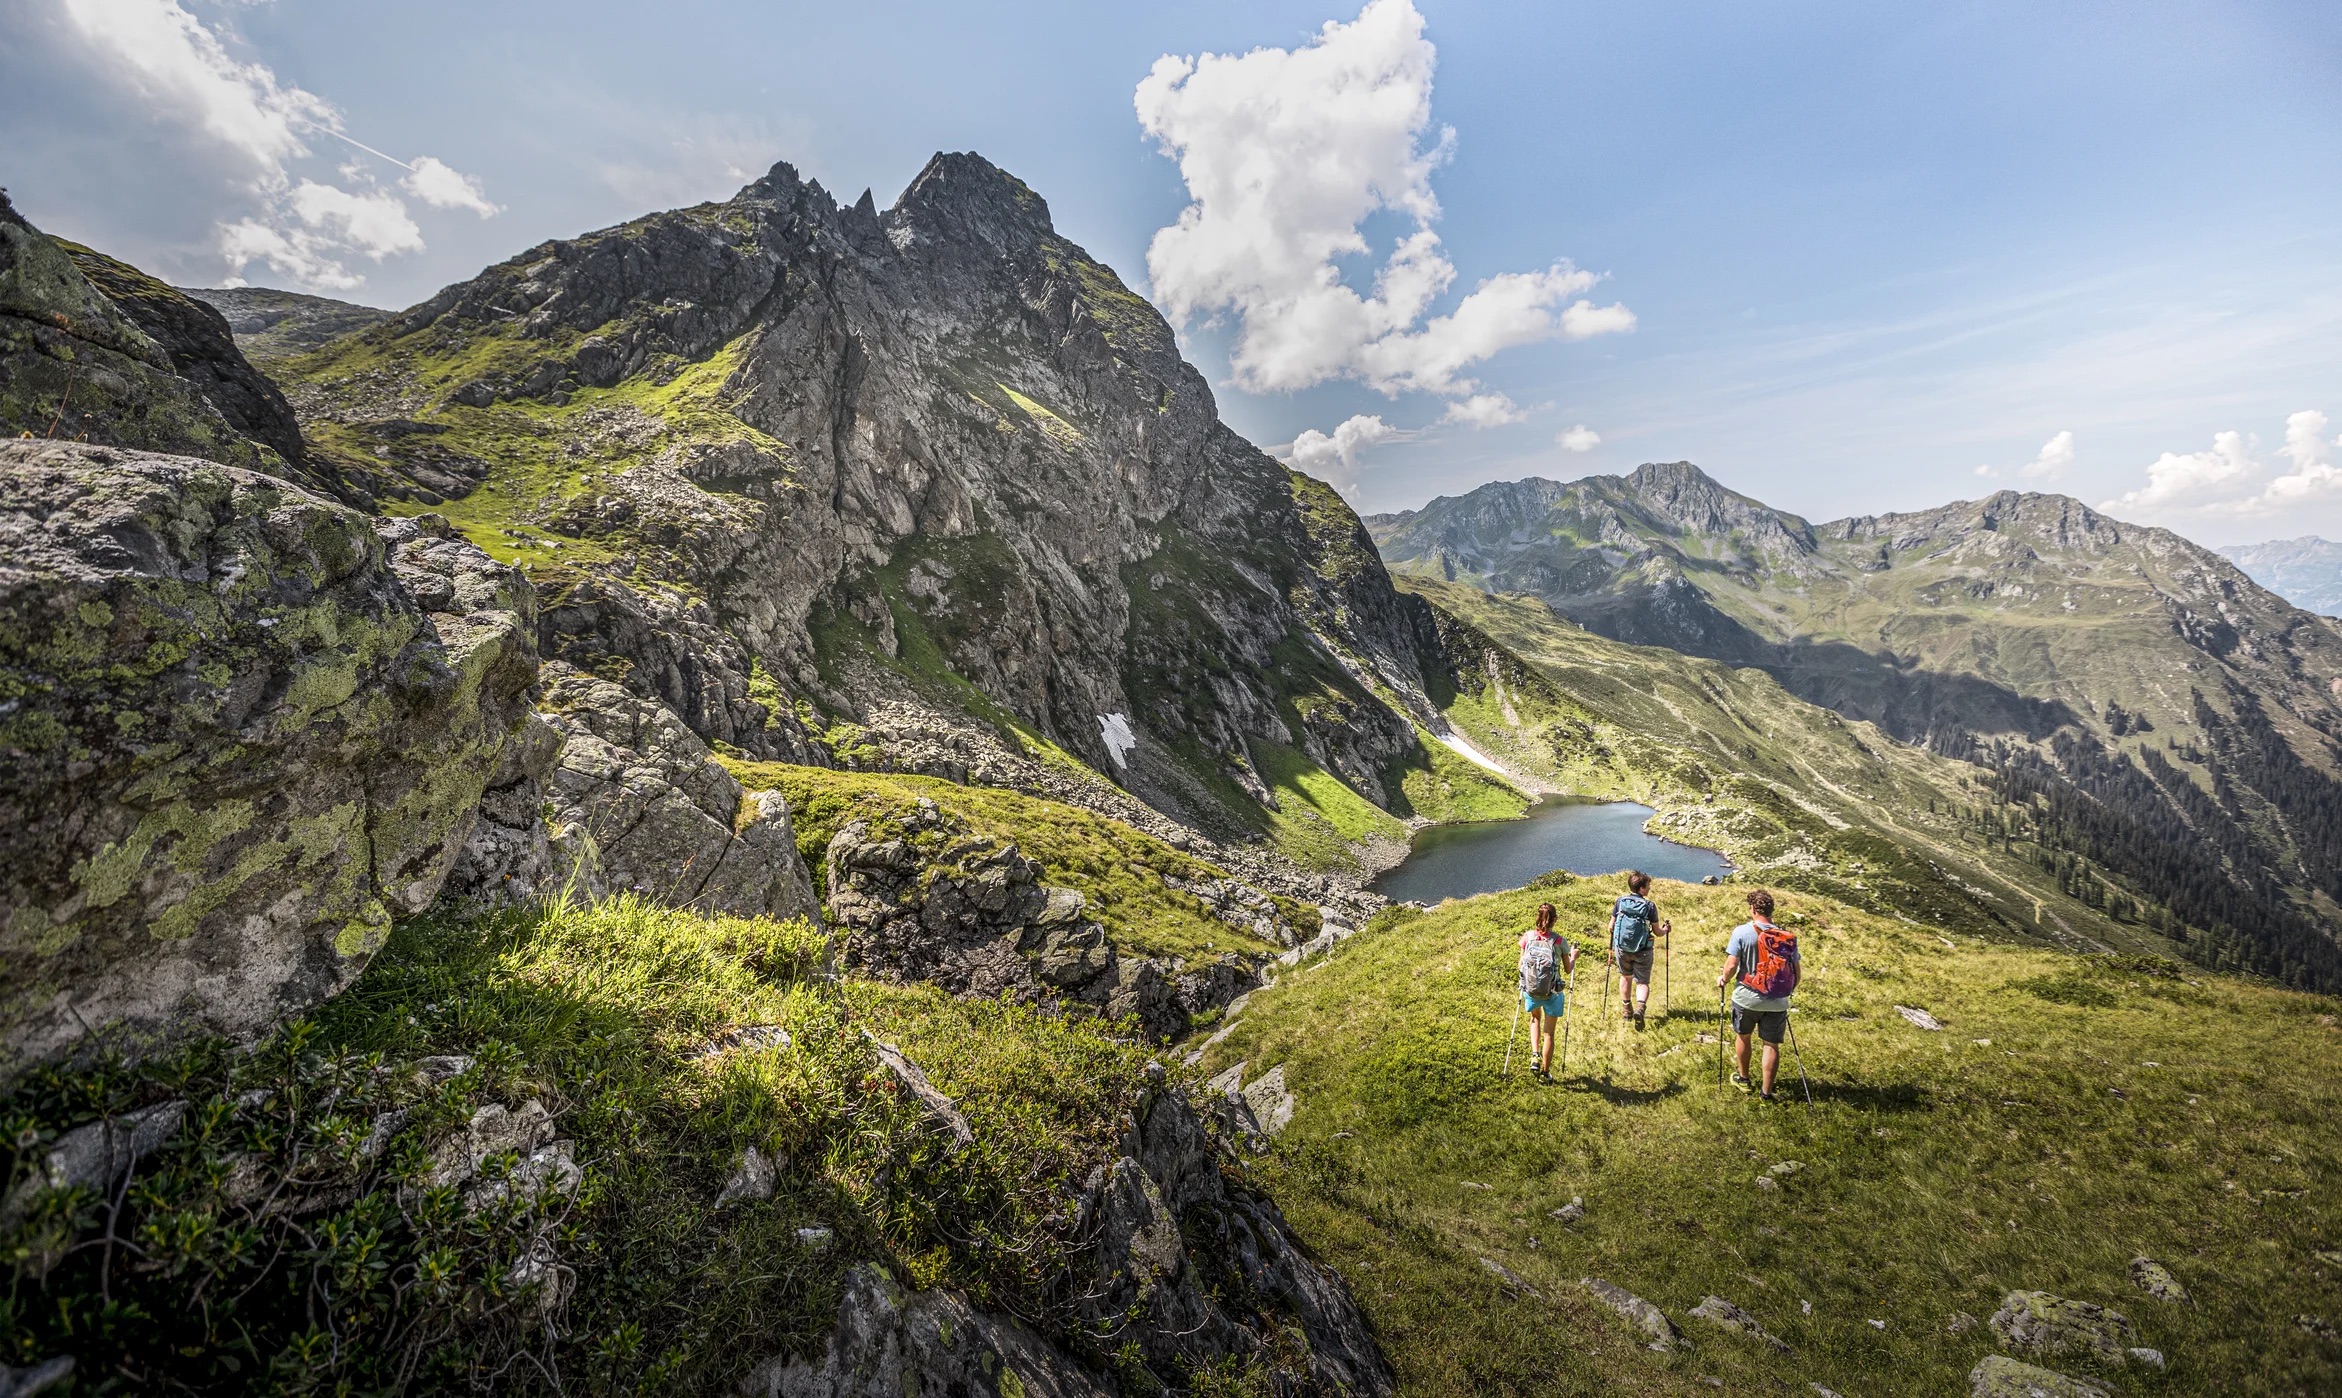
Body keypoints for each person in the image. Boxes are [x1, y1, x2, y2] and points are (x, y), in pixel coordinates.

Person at [1716, 888, 1800, 1101]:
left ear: (1753, 909)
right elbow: (1797, 972)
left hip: (1747, 997)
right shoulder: (1786, 937)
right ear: (1772, 910)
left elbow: (1731, 965)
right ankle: (1766, 1093)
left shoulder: (1741, 932)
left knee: (1743, 1036)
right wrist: (1784, 991)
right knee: (1770, 1044)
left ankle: (1744, 1080)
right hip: (1777, 1001)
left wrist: (1723, 980)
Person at [1518, 902, 1580, 1082]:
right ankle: (1545, 1073)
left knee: (1535, 1018)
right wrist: (1574, 956)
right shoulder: (1560, 941)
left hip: (1531, 991)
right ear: (1555, 920)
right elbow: (1568, 969)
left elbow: (1520, 964)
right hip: (1552, 993)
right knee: (1549, 1034)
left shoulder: (1527, 937)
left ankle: (1535, 1055)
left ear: (1537, 917)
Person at [1609, 871, 1670, 1029]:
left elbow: (1611, 926)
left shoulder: (1620, 901)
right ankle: (1640, 1008)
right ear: (1642, 889)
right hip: (1643, 949)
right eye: (1648, 886)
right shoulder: (1649, 906)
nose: (1649, 888)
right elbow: (1657, 932)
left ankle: (1626, 1009)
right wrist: (1665, 930)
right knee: (1642, 981)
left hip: (1622, 948)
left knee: (1626, 976)